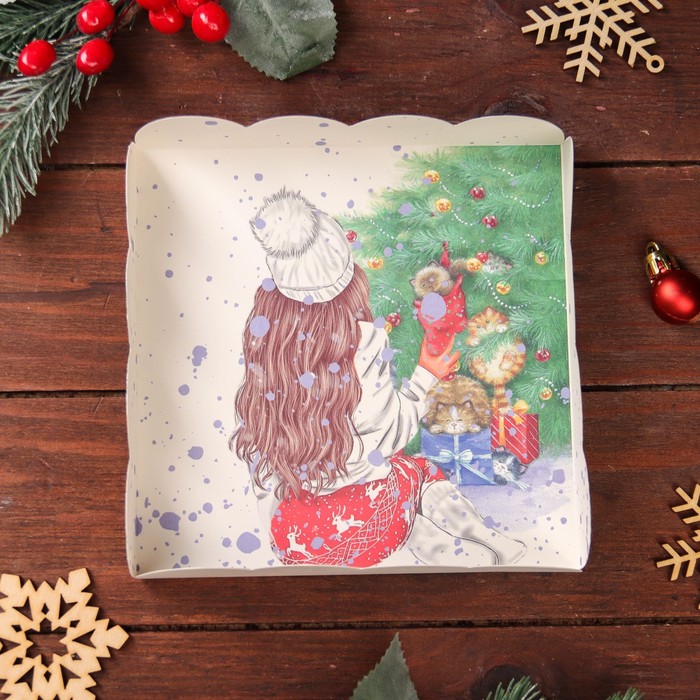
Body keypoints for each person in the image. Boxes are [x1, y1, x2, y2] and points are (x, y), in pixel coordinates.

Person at [232, 189, 526, 568]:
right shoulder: (362, 343)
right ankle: (478, 542)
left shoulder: (267, 349)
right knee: (414, 473)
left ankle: (444, 547)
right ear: (347, 282)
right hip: (366, 519)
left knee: (387, 501)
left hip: (294, 537)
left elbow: (262, 470)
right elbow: (387, 437)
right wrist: (425, 377)